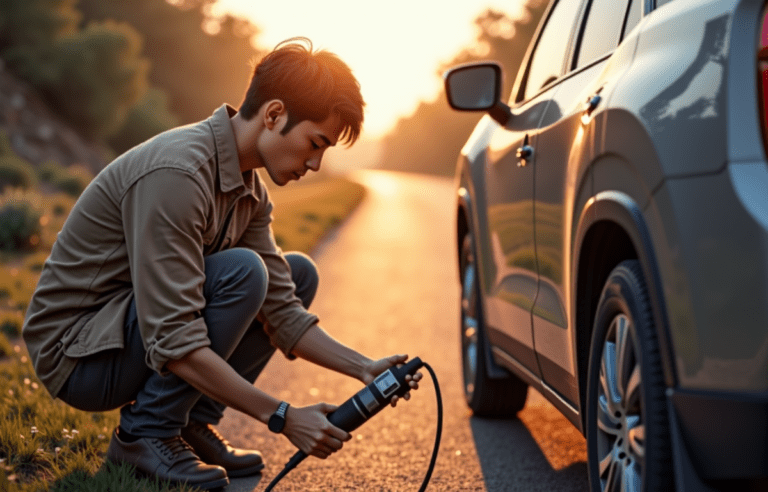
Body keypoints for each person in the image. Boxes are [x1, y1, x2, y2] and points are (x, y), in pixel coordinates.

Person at [22, 37, 421, 490]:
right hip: (78, 354)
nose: (315, 163)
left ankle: (189, 424)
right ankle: (147, 433)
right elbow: (172, 336)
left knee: (292, 273)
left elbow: (284, 314)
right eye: (315, 143)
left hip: (126, 332)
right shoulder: (179, 174)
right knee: (246, 272)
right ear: (273, 115)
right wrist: (283, 418)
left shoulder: (249, 191)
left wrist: (364, 368)